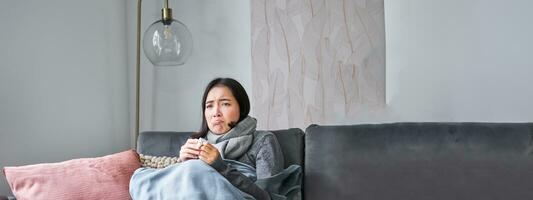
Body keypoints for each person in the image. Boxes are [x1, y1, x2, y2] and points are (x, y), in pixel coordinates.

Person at [177, 77, 284, 199]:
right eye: (209, 106)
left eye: (225, 104)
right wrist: (181, 164)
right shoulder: (196, 143)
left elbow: (267, 197)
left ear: (241, 107)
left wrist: (220, 166)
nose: (215, 112)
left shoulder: (262, 141)